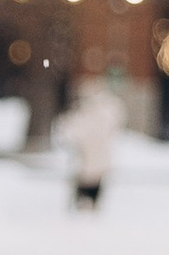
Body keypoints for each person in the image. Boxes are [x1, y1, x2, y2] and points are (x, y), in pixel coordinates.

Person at [54, 73, 126, 211]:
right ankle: (91, 206)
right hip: (99, 159)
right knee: (95, 184)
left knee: (85, 184)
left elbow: (72, 132)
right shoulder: (109, 110)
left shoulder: (85, 113)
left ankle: (84, 206)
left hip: (86, 159)